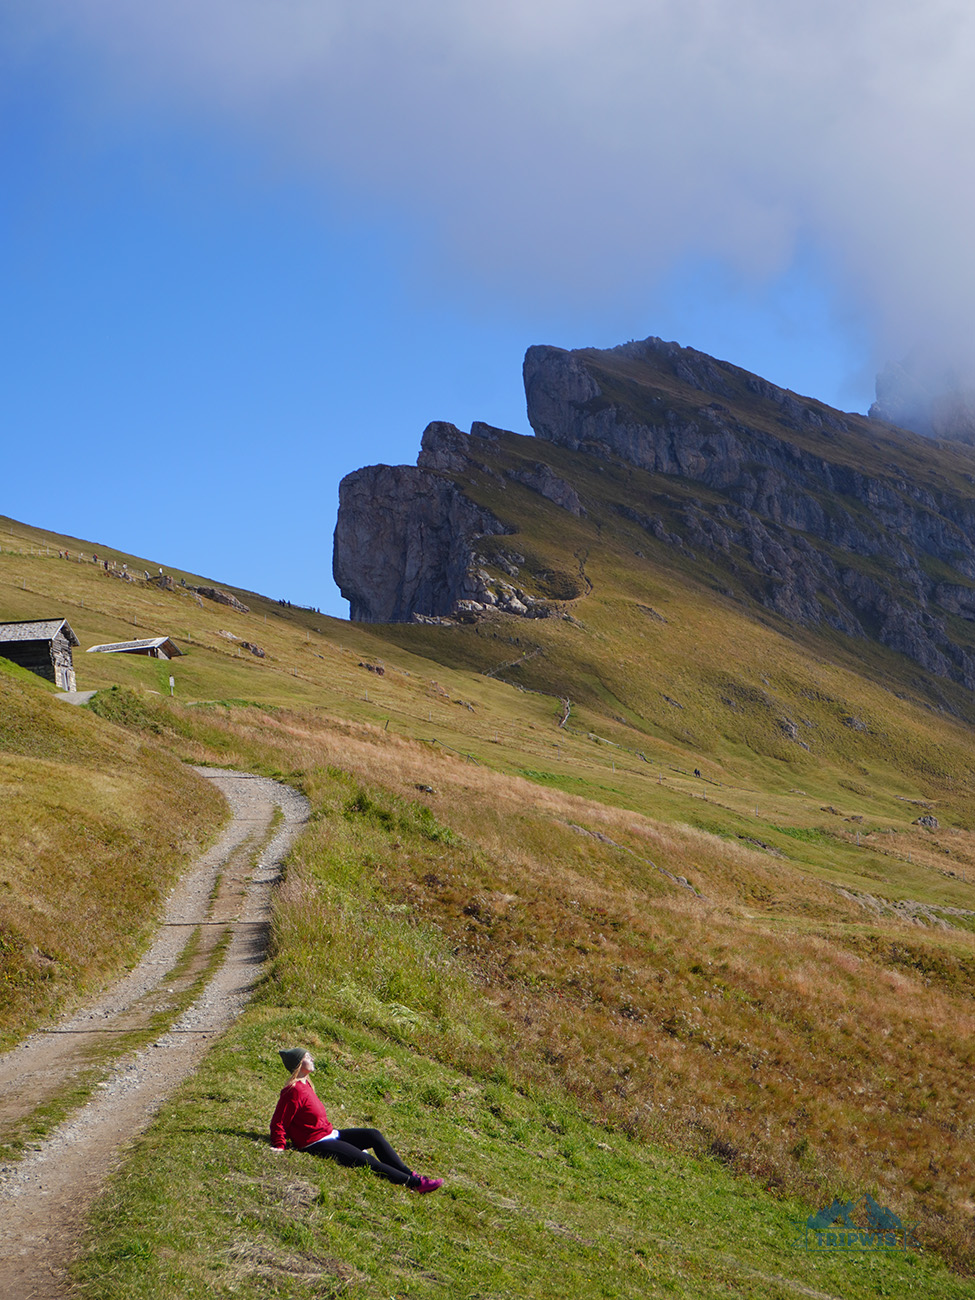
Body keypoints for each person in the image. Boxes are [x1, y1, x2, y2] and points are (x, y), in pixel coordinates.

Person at [269, 1048, 443, 1193]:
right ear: (298, 1063)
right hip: (315, 1143)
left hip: (329, 1134)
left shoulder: (306, 1084)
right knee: (367, 1161)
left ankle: (411, 1174)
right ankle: (415, 1184)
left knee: (373, 1135)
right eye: (307, 1056)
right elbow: (279, 1120)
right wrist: (279, 1145)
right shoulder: (292, 1091)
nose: (312, 1058)